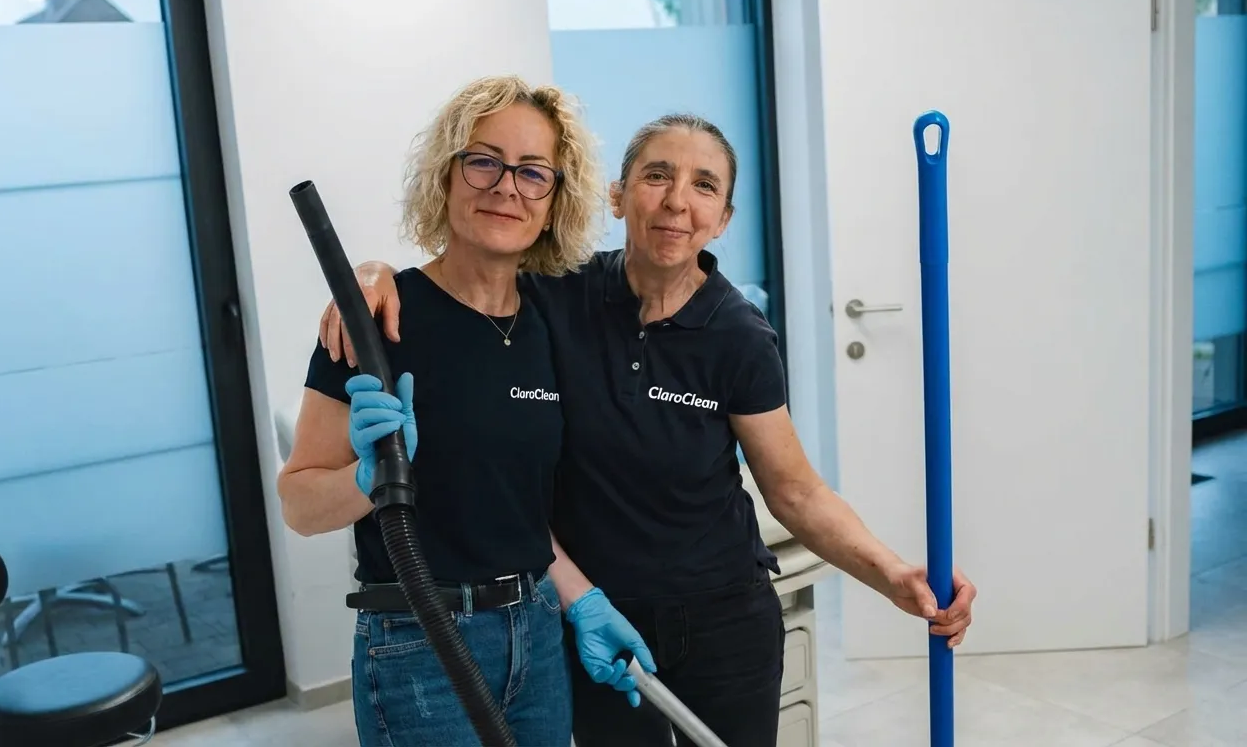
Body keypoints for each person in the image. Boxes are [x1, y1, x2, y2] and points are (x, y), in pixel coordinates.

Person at [319, 113, 978, 747]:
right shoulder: (558, 295)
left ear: (723, 218)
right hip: (593, 614)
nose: (677, 201)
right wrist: (373, 275)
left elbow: (796, 490)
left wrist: (893, 574)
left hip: (723, 619)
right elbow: (466, 279)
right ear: (617, 195)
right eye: (657, 175)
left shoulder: (739, 336)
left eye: (704, 185)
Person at [277, 75, 620, 746]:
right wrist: (364, 480)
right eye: (484, 161)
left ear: (555, 200)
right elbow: (298, 504)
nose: (506, 187)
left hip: (537, 634)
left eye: (533, 172)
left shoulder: (549, 318)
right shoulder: (376, 321)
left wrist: (583, 601)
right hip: (419, 645)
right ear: (446, 175)